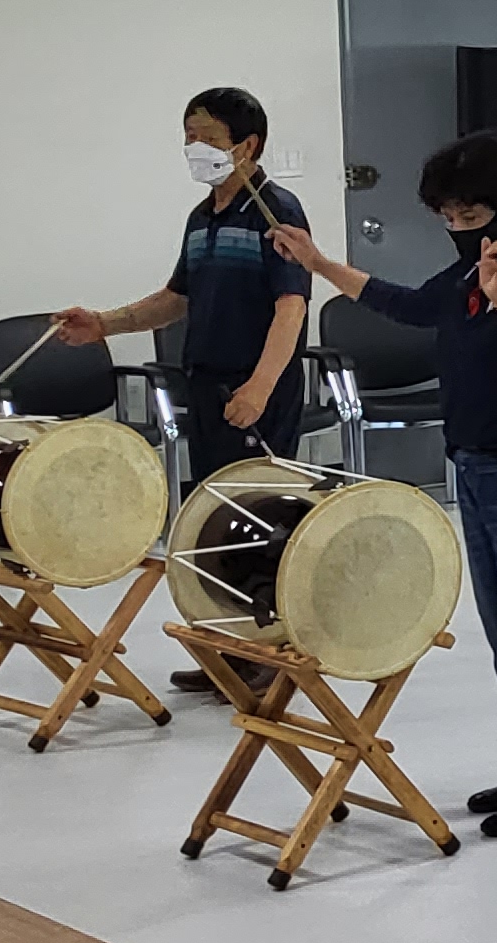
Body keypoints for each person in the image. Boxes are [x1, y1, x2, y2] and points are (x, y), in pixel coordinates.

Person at [263, 131, 497, 836]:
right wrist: (318, 262)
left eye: (469, 216)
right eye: (446, 216)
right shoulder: (465, 276)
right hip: (477, 470)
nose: (456, 228)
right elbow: (408, 305)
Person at [55, 85, 314, 695]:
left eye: (208, 137)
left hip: (255, 391)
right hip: (205, 385)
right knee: (214, 522)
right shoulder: (202, 218)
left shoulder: (278, 212)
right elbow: (176, 299)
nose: (195, 147)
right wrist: (104, 323)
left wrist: (259, 387)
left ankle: (270, 652)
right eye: (189, 136)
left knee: (260, 524)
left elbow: (292, 307)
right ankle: (226, 646)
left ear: (247, 146)